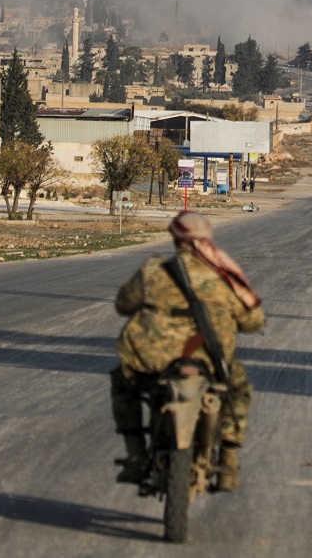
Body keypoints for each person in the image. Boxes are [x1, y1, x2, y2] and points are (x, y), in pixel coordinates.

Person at [110, 211, 264, 492]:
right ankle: (228, 463)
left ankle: (135, 452)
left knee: (123, 382)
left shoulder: (153, 271)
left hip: (151, 360)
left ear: (175, 238)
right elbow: (253, 321)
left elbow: (123, 304)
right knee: (238, 390)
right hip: (209, 361)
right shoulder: (223, 276)